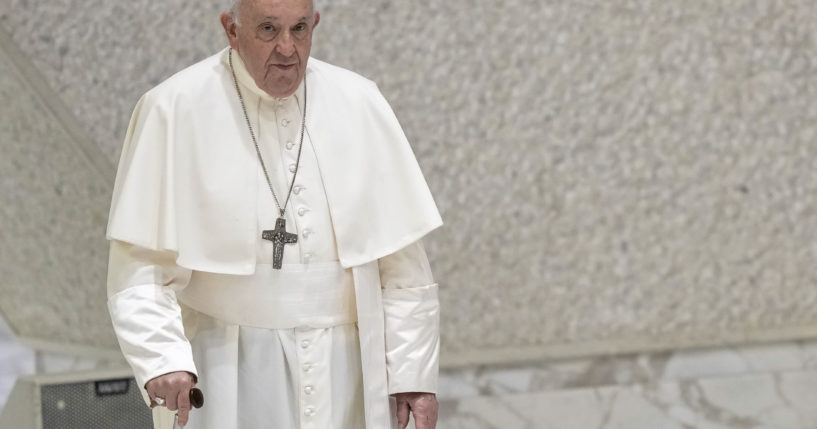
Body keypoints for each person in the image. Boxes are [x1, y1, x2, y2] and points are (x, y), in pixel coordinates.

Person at [105, 0, 443, 428]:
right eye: (268, 29)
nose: (287, 48)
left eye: (299, 29)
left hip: (350, 369)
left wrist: (413, 375)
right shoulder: (173, 108)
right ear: (231, 30)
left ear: (315, 24)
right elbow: (139, 269)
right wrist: (162, 358)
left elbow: (402, 265)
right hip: (227, 364)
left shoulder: (360, 102)